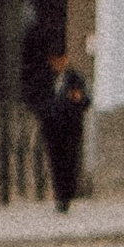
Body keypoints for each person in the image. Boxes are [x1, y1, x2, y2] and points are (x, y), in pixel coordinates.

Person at [38, 51, 88, 211]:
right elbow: (40, 98)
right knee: (56, 162)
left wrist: (78, 99)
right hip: (52, 128)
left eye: (60, 60)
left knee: (69, 162)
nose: (57, 64)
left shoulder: (75, 78)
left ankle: (66, 196)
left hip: (70, 128)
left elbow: (86, 101)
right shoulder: (47, 78)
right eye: (54, 61)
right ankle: (59, 195)